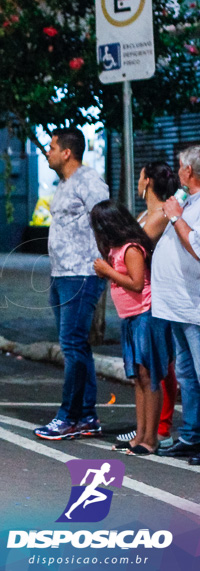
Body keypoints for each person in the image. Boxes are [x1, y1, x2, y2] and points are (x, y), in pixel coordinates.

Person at [34, 127, 110, 441]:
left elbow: (107, 219)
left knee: (72, 347)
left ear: (67, 152)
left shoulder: (88, 181)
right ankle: (87, 417)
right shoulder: (64, 184)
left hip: (81, 275)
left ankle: (68, 417)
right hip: (62, 275)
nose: (47, 151)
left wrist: (106, 264)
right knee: (78, 347)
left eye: (52, 147)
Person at [90, 200, 170, 456]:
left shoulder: (131, 248)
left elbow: (136, 284)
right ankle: (141, 435)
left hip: (145, 316)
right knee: (138, 378)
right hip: (130, 318)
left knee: (149, 377)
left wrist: (108, 272)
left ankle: (151, 439)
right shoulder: (115, 249)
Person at [118, 161, 180, 450]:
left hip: (152, 299)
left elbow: (133, 249)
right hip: (136, 301)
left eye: (140, 176)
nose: (138, 180)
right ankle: (144, 432)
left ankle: (157, 433)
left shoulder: (158, 216)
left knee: (154, 369)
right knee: (142, 371)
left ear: (148, 182)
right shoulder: (145, 214)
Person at [152, 145, 200, 464]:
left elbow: (197, 246)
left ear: (188, 170)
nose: (177, 169)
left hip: (194, 307)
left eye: (180, 165)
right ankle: (192, 435)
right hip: (177, 306)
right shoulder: (188, 200)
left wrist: (177, 218)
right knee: (186, 374)